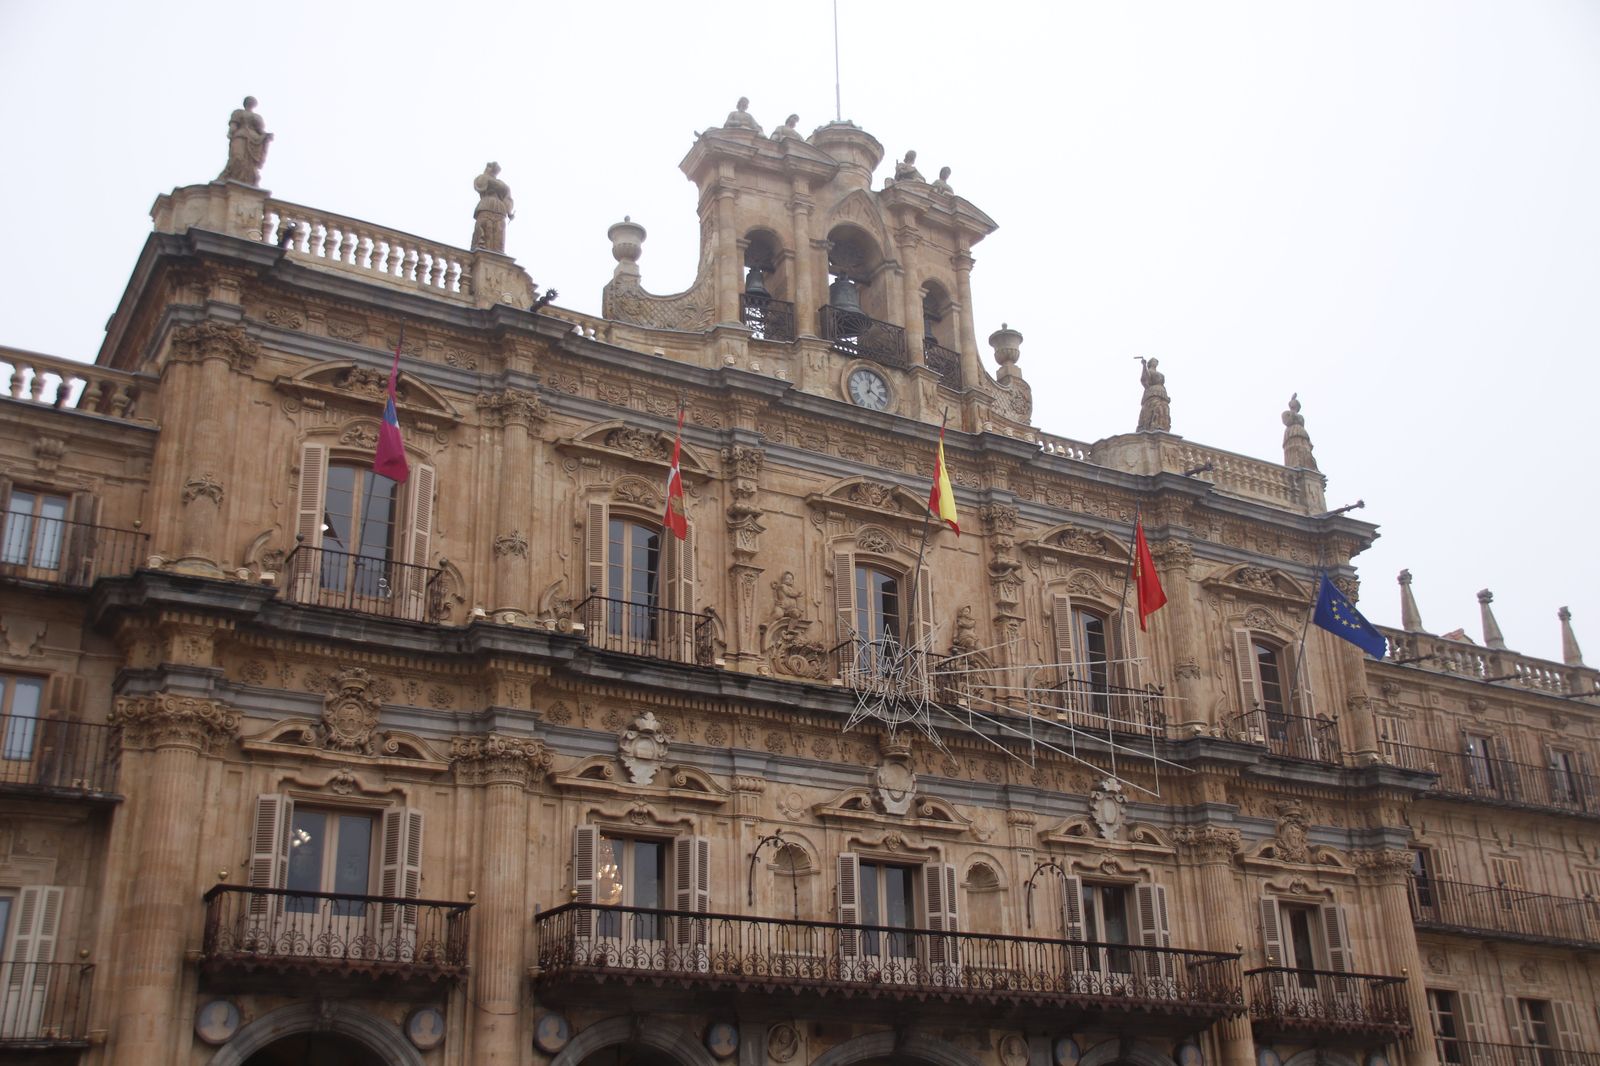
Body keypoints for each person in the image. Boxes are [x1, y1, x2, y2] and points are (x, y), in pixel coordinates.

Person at [218, 96, 272, 185]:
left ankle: (246, 181)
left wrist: (266, 135)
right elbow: (233, 125)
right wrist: (231, 132)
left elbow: (260, 131)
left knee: (250, 164)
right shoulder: (238, 112)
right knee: (237, 157)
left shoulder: (257, 117)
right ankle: (233, 178)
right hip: (240, 136)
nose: (250, 103)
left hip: (254, 140)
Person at [471, 162, 514, 253]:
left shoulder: (503, 184)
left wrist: (509, 212)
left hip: (500, 209)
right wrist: (487, 172)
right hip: (485, 205)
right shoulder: (483, 178)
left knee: (498, 231)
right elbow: (479, 184)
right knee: (483, 228)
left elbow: (508, 199)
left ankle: (497, 254)